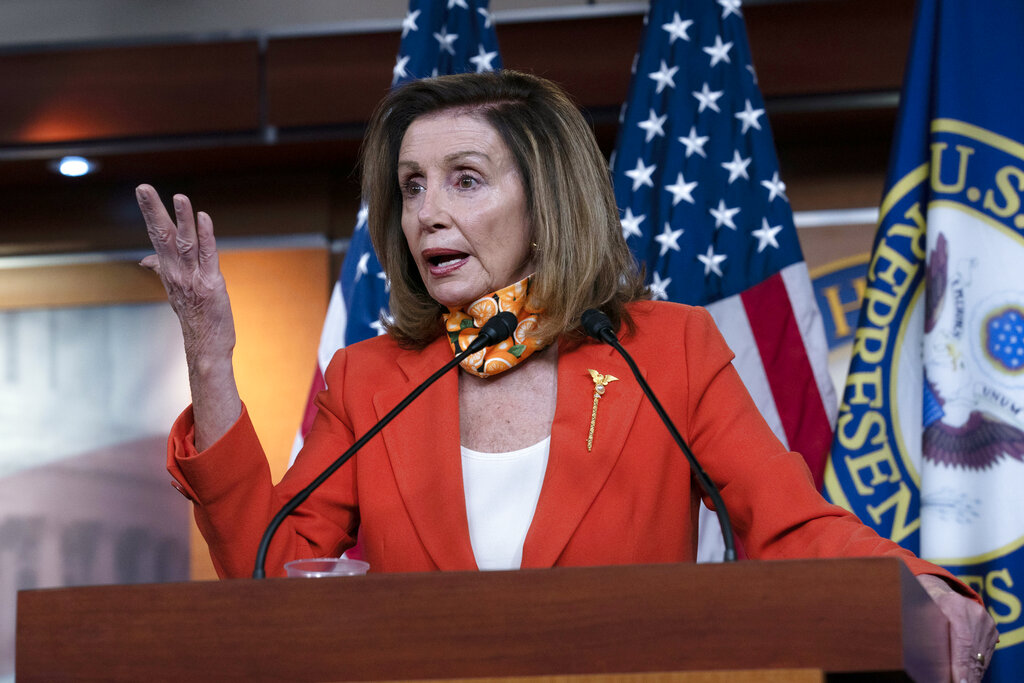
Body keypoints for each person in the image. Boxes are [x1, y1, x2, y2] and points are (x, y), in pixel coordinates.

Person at [136, 70, 997, 681]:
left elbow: (792, 523)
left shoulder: (667, 350)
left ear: (547, 202)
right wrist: (209, 356)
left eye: (463, 180)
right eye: (410, 186)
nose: (426, 211)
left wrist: (918, 583)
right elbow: (271, 575)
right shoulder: (370, 379)